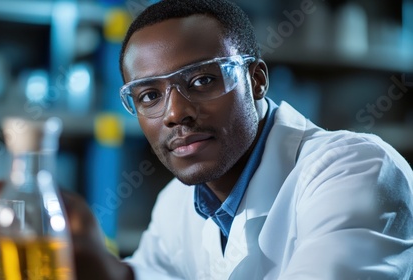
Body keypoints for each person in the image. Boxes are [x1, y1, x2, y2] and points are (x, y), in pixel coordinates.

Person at [67, 0, 413, 279]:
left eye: (202, 80)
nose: (174, 113)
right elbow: (150, 273)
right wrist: (95, 261)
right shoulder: (178, 201)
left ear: (257, 80)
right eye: (149, 96)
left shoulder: (356, 172)